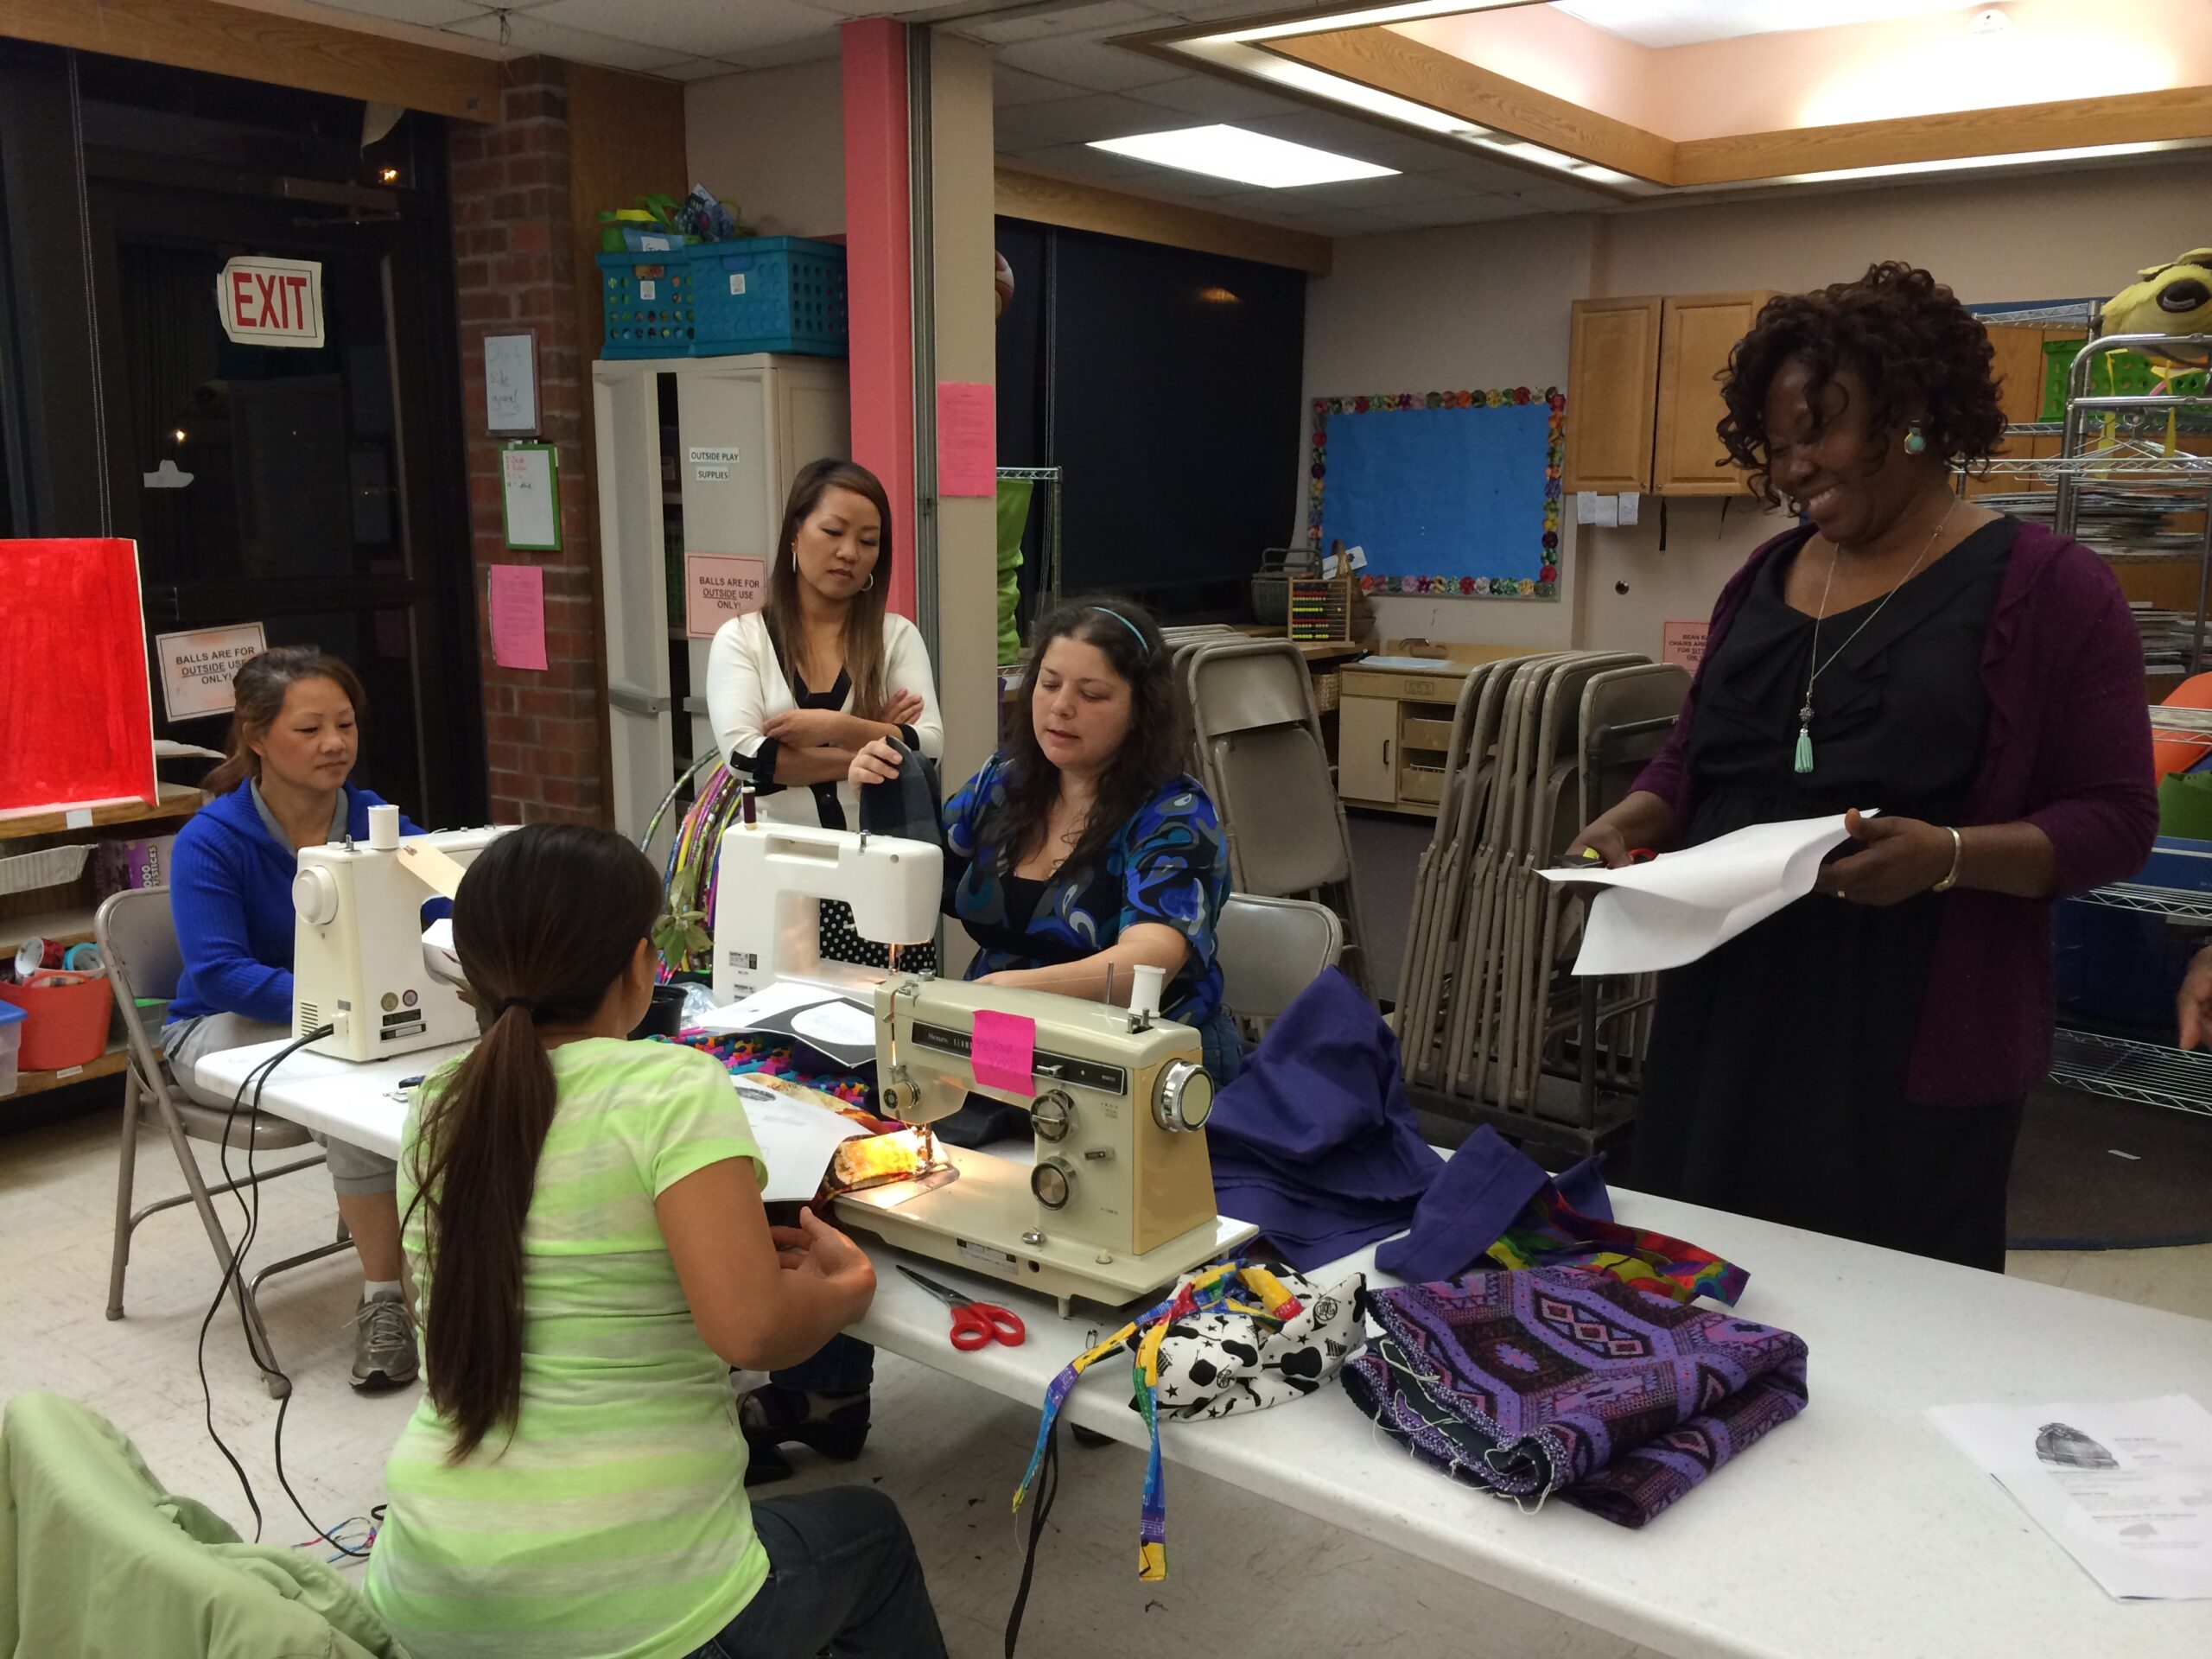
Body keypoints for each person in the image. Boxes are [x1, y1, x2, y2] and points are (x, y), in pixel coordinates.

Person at [1567, 262, 2157, 1273]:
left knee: (1887, 1304)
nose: (1791, 469)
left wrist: (1948, 855)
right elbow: (1694, 758)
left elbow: (2115, 819)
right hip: (1725, 1008)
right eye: (1775, 444)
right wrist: (1630, 821)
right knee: (1697, 1282)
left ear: (1913, 413)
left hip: (1905, 1026)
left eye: (1818, 432)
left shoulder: (2052, 589)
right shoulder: (1762, 574)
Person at [362, 823, 944, 1659]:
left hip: (426, 1598)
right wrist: (846, 1288)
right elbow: (754, 1331)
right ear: (642, 967)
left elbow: (472, 1291)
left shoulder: (440, 1104)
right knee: (874, 1536)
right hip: (628, 1615)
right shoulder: (673, 1087)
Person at [850, 595, 1239, 1139]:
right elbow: (929, 876)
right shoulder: (1004, 781)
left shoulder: (1174, 815)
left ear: (1140, 710)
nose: (1060, 707)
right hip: (1007, 1042)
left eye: (1091, 694)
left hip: (1143, 1063)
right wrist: (876, 795)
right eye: (1049, 684)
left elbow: (1148, 962)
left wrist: (1011, 992)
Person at [166, 646, 429, 1391]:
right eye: (310, 729)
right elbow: (221, 974)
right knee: (347, 1092)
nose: (335, 743)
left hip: (349, 1021)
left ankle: (466, 1270)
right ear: (255, 736)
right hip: (221, 1030)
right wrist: (345, 1006)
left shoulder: (380, 822)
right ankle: (386, 1301)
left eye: (345, 724)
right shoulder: (211, 841)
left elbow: (443, 912)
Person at [706, 456, 943, 970]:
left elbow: (927, 745)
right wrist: (867, 748)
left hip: (879, 876)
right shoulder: (742, 639)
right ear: (795, 533)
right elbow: (746, 759)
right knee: (772, 1016)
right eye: (833, 532)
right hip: (778, 878)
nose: (849, 552)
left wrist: (838, 727)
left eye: (868, 541)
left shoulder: (896, 636)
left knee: (886, 1014)